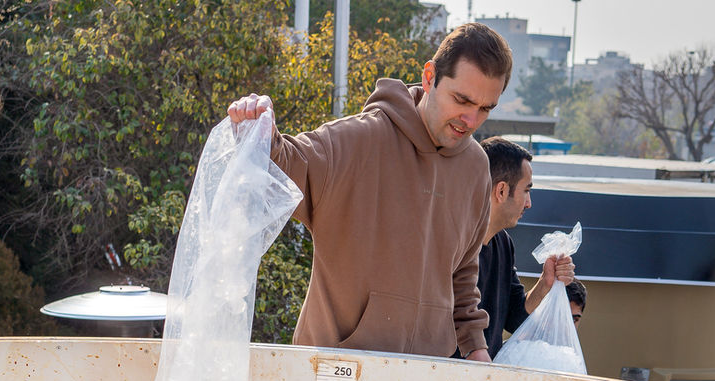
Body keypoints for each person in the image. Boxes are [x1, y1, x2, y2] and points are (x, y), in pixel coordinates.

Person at [227, 23, 513, 362]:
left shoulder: (476, 167)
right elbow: (285, 164)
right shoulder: (357, 140)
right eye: (462, 99)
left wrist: (476, 347)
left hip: (425, 376)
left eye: (485, 108)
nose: (470, 119)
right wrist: (258, 129)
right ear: (429, 77)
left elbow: (463, 273)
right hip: (336, 370)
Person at [474, 137, 578, 358]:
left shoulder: (503, 243)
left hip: (481, 379)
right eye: (526, 190)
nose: (529, 203)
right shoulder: (452, 244)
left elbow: (514, 318)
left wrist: (545, 283)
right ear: (501, 191)